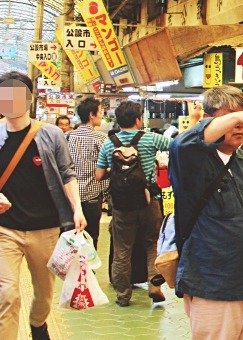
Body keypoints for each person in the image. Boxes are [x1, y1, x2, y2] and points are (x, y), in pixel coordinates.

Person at [169, 85, 243, 338]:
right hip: (213, 286)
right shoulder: (191, 158)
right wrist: (241, 117)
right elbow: (183, 142)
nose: (240, 126)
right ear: (209, 120)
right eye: (231, 117)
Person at [0, 71, 86, 340]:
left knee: (44, 294)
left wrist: (77, 208)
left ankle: (38, 324)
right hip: (5, 230)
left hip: (46, 229)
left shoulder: (50, 134)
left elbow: (67, 173)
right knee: (7, 294)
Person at [96, 100, 171, 306]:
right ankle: (154, 286)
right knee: (152, 245)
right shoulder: (150, 139)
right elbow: (178, 146)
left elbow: (99, 174)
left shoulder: (108, 143)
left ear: (118, 121)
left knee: (122, 249)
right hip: (149, 201)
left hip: (121, 205)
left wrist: (119, 172)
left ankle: (123, 295)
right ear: (139, 120)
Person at [66, 97, 108, 248]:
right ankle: (87, 271)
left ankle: (72, 270)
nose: (102, 115)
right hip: (92, 197)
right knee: (91, 238)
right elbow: (107, 166)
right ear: (92, 114)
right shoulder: (101, 138)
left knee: (71, 238)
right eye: (101, 112)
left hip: (70, 197)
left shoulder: (68, 136)